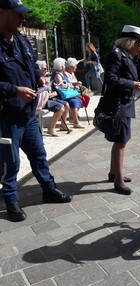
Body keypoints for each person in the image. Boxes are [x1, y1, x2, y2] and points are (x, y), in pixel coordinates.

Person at [0, 0, 72, 222]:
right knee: (10, 163)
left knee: (39, 155)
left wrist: (40, 76)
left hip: (29, 112)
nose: (23, 19)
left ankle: (48, 189)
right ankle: (11, 200)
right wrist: (14, 90)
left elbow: (32, 65)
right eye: (18, 14)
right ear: (1, 13)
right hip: (7, 115)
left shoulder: (21, 39)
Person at [101, 25, 140, 195]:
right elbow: (110, 79)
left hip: (125, 103)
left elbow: (139, 76)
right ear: (130, 42)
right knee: (121, 141)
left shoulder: (127, 56)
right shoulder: (116, 54)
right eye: (139, 43)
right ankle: (118, 182)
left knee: (120, 140)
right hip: (118, 104)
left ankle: (114, 173)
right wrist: (131, 84)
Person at [36, 60, 70, 136]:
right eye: (44, 69)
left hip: (47, 98)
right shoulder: (37, 79)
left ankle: (63, 125)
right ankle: (51, 128)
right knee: (60, 107)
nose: (46, 70)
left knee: (66, 104)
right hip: (41, 101)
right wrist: (51, 94)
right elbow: (39, 94)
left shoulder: (43, 77)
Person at [51, 57, 85, 129]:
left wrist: (75, 83)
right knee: (74, 101)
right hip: (59, 95)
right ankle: (75, 122)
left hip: (65, 94)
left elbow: (68, 83)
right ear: (61, 66)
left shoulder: (62, 73)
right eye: (64, 64)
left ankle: (72, 119)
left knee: (79, 99)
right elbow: (61, 85)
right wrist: (70, 86)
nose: (65, 66)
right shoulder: (57, 74)